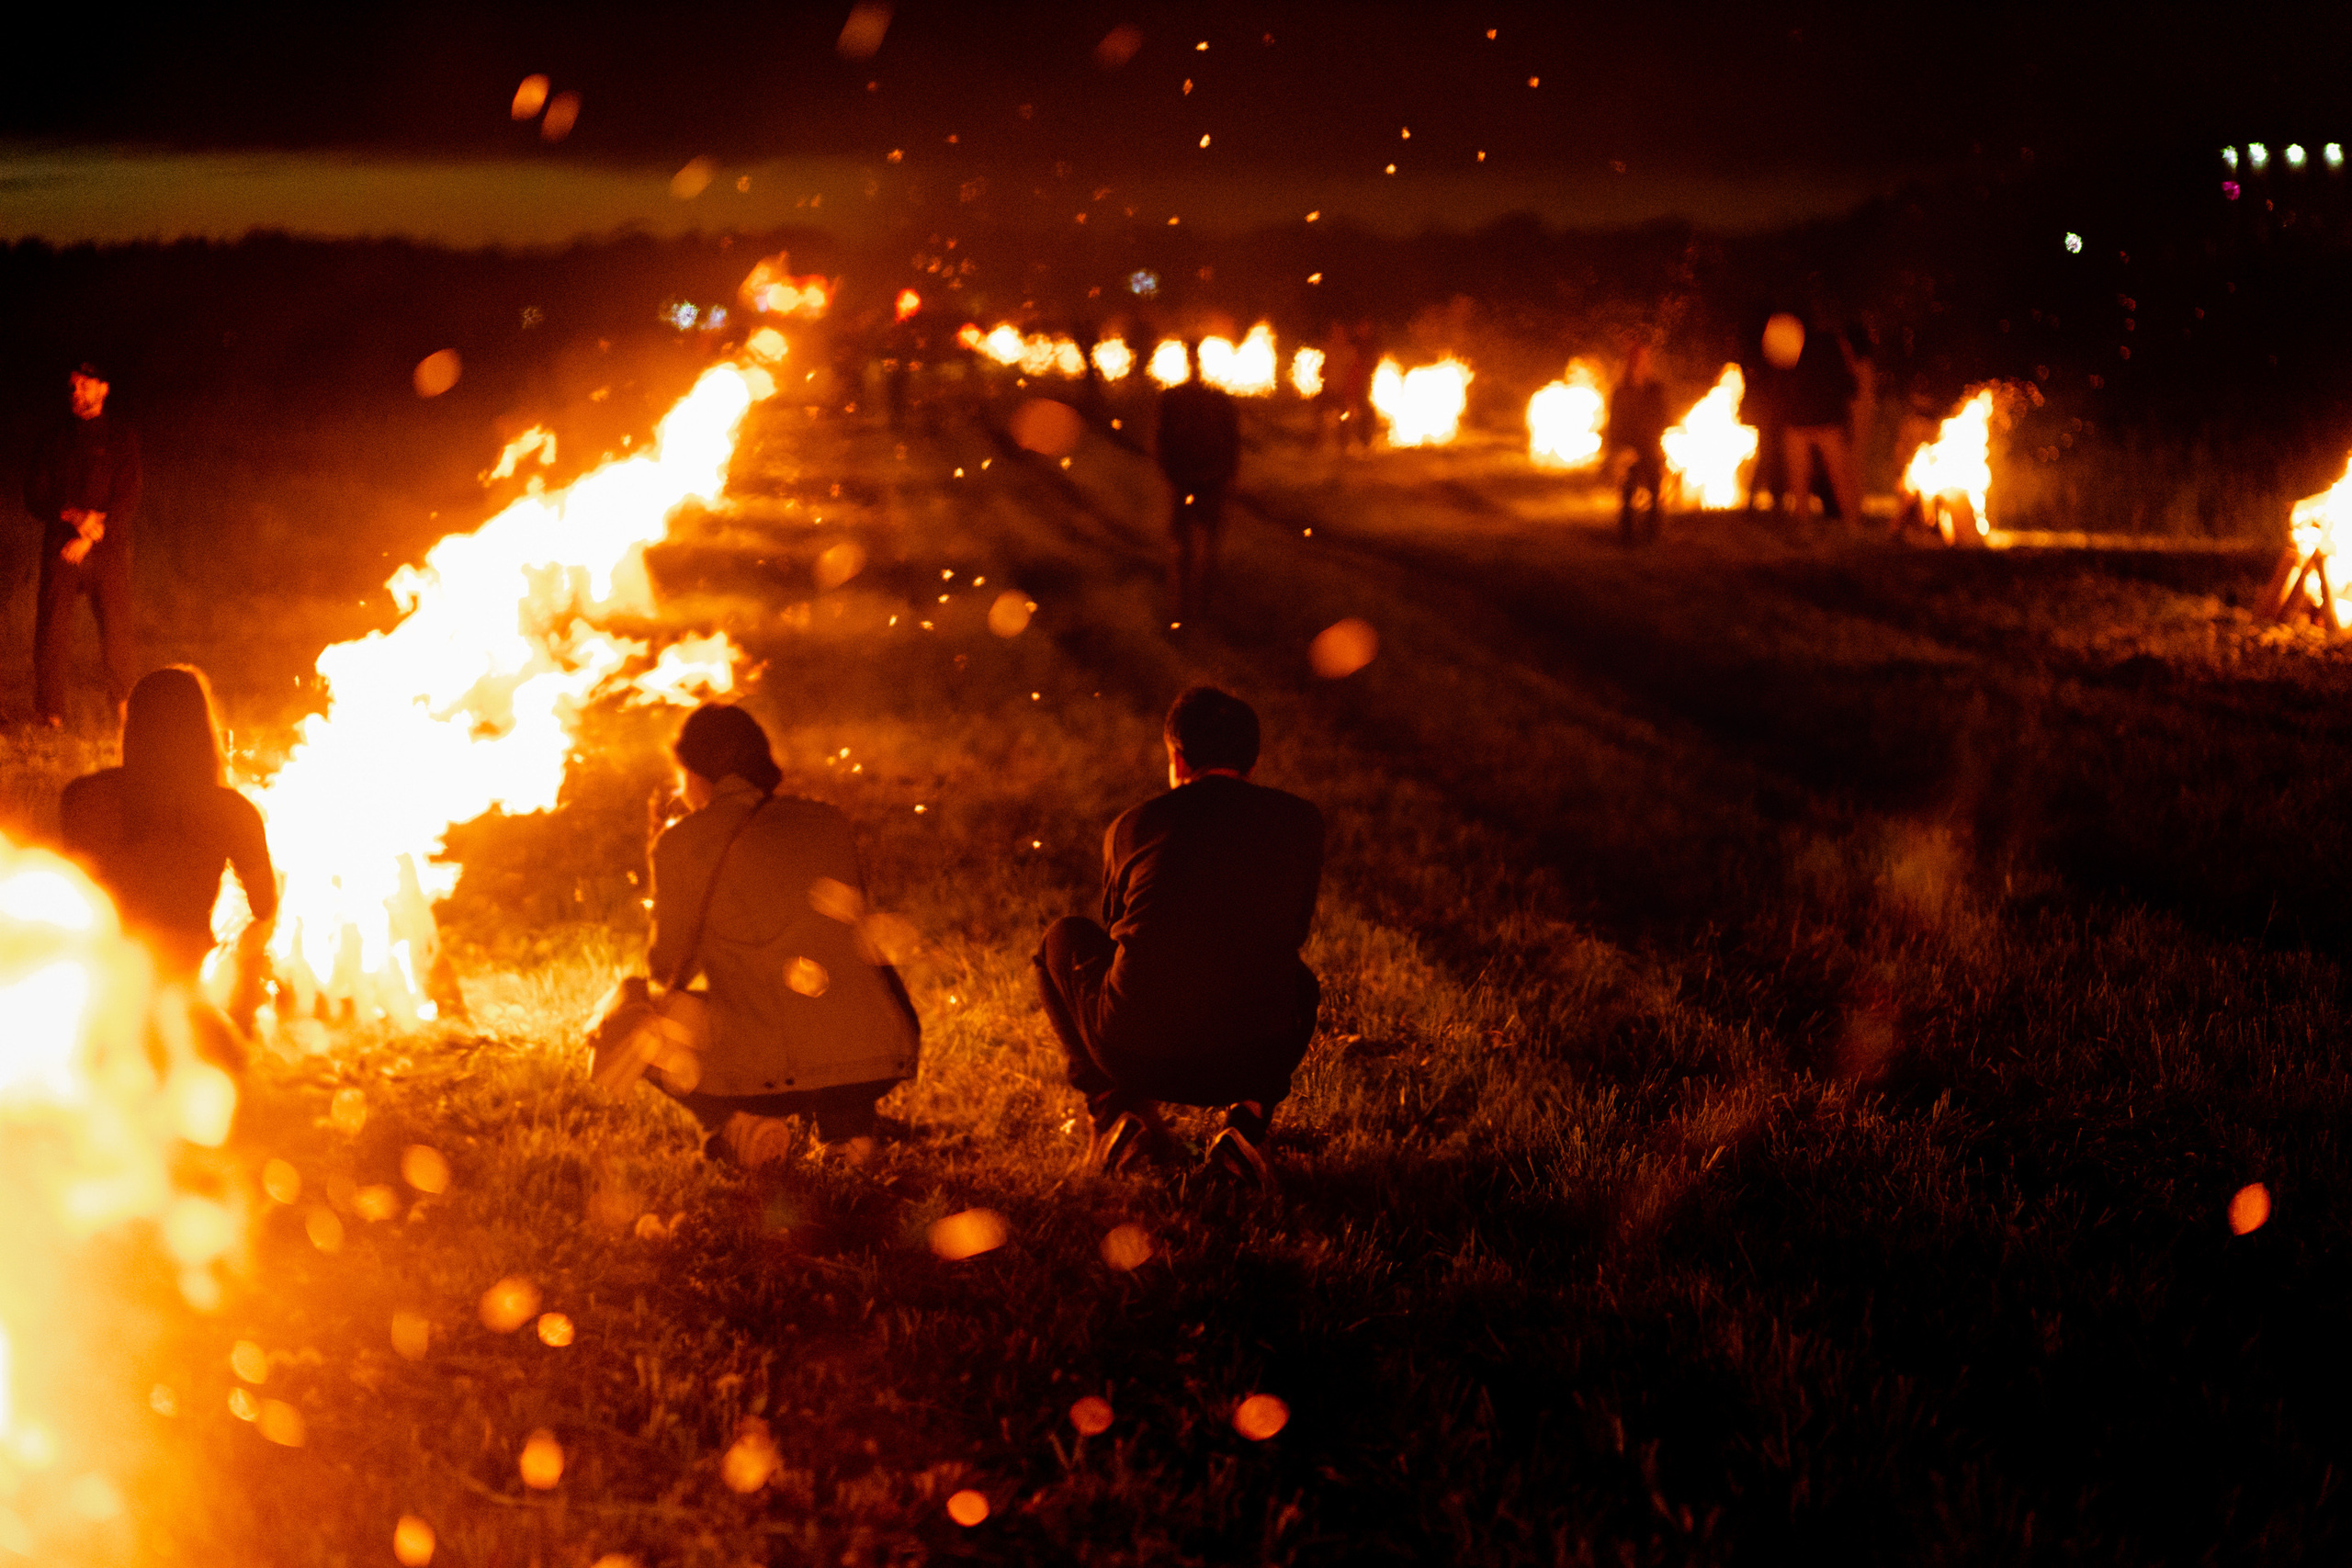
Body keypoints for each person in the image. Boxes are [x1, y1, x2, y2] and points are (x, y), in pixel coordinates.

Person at [1034, 686, 1324, 1190]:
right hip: (1253, 1054)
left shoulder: (1134, 825)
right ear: (1252, 761)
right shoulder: (1300, 821)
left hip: (1135, 1054)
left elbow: (1117, 930)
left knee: (1062, 939)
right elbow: (1294, 930)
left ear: (1177, 757)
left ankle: (1114, 1112)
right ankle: (1248, 1124)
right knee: (1300, 983)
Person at [640, 703, 920, 1165]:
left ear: (693, 772)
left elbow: (668, 970)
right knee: (826, 995)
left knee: (629, 1018)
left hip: (770, 1072)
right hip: (878, 1059)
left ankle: (737, 1123)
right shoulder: (829, 821)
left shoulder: (682, 842)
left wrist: (663, 849)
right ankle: (847, 1127)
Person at [61, 666, 277, 1063]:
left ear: (134, 729)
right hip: (180, 986)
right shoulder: (231, 812)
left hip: (103, 981)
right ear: (203, 730)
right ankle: (234, 1027)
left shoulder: (84, 798)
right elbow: (264, 907)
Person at [25, 363, 142, 728]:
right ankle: (51, 713)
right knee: (52, 630)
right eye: (73, 387)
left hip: (106, 550)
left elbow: (127, 497)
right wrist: (74, 516)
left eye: (85, 385)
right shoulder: (55, 439)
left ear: (103, 389)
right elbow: (34, 495)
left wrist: (88, 539)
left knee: (116, 631)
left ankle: (125, 709)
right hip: (62, 550)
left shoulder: (122, 437)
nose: (77, 393)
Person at [1155, 343, 1241, 624]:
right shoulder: (1178, 400)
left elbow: (1231, 441)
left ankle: (1198, 607)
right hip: (1192, 480)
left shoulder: (1213, 401)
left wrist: (1226, 472)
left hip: (1205, 480)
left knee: (1200, 548)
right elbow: (1163, 441)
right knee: (1189, 548)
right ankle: (1190, 607)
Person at [1781, 315, 1860, 525]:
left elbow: (1782, 374)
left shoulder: (1791, 339)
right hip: (1822, 417)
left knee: (1803, 475)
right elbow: (1850, 383)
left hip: (1805, 417)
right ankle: (1851, 524)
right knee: (1837, 475)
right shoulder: (1836, 343)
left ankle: (1805, 523)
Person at [1605, 344, 1671, 545]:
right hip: (1628, 447)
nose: (1639, 365)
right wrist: (1619, 449)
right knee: (1628, 490)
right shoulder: (1621, 391)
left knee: (1655, 488)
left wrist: (1659, 446)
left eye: (1643, 360)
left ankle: (1652, 534)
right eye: (1635, 360)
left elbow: (1664, 418)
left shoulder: (1655, 390)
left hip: (1649, 446)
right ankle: (1627, 535)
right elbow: (1615, 422)